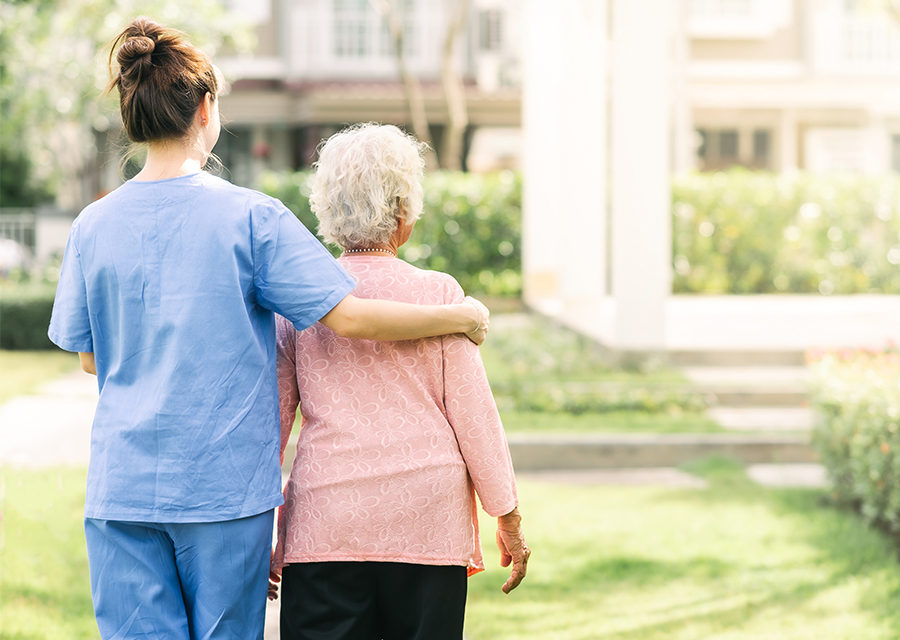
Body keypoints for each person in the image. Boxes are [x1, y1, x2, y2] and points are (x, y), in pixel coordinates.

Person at [47, 18, 488, 640]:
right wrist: (457, 316)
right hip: (223, 494)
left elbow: (91, 359)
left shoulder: (92, 225)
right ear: (206, 108)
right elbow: (350, 314)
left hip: (123, 489)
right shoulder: (251, 217)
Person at [271, 123, 530, 640]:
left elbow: (269, 427)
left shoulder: (300, 301)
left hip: (327, 523)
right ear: (403, 211)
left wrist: (259, 533)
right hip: (426, 522)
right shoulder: (440, 295)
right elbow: (474, 418)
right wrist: (509, 519)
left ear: (328, 208)